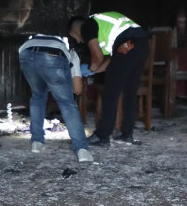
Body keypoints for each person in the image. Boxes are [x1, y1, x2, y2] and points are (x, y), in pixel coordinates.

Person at [68, 12, 150, 147]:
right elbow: (113, 61)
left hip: (127, 44)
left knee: (111, 93)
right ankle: (127, 134)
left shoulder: (87, 26)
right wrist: (93, 70)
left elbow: (98, 58)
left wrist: (86, 69)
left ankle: (102, 136)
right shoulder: (104, 27)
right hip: (140, 45)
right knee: (130, 91)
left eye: (74, 36)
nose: (78, 41)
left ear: (76, 29)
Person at [18, 33, 94, 163]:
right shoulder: (72, 53)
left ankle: (37, 142)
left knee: (37, 97)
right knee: (67, 104)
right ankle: (82, 149)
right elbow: (78, 90)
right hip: (53, 55)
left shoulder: (46, 36)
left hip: (26, 52)